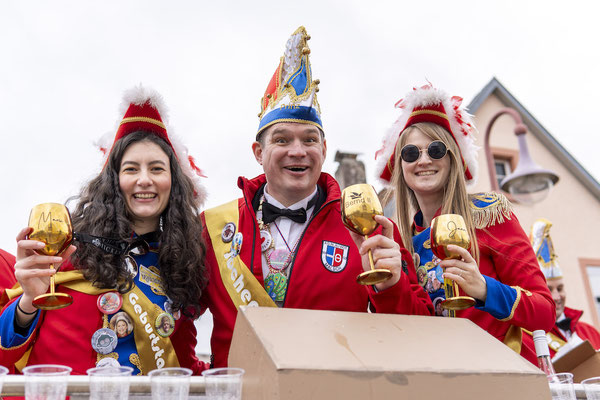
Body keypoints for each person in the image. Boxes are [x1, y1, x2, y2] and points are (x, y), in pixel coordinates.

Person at [200, 26, 433, 368]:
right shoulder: (213, 228)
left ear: (323, 150)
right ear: (258, 152)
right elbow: (173, 321)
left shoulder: (370, 226)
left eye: (310, 140)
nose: (298, 151)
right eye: (282, 140)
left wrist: (392, 284)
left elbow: (419, 331)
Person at [0, 86, 209, 375]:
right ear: (113, 181)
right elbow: (4, 355)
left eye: (157, 169)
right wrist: (27, 302)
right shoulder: (69, 249)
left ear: (174, 183)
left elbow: (180, 363)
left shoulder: (182, 263)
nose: (145, 179)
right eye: (131, 169)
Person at [374, 83, 555, 364]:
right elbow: (413, 326)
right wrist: (389, 282)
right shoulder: (401, 240)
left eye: (435, 150)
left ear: (453, 158)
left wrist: (484, 288)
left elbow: (544, 311)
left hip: (504, 377)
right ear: (400, 165)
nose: (423, 160)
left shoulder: (489, 215)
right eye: (411, 153)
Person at [529, 218, 600, 358]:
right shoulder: (527, 339)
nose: (557, 296)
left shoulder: (590, 332)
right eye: (549, 290)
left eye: (560, 288)